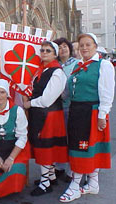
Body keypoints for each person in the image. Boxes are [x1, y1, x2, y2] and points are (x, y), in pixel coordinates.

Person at [59, 33, 115, 202]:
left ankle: (75, 186)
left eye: (87, 44)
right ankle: (93, 183)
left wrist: (103, 114)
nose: (84, 48)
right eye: (81, 45)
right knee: (84, 147)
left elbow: (107, 91)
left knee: (83, 149)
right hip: (77, 111)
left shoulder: (103, 65)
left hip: (91, 112)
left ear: (95, 46)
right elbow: (67, 91)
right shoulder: (79, 67)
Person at [24, 41, 68, 196]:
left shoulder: (57, 72)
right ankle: (51, 176)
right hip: (41, 113)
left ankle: (45, 183)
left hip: (48, 113)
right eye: (42, 50)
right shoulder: (42, 70)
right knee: (45, 145)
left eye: (48, 50)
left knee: (45, 147)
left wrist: (30, 103)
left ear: (55, 54)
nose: (43, 53)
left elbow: (47, 99)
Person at [53, 37, 78, 182]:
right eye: (59, 47)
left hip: (69, 106)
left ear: (69, 49)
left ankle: (71, 169)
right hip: (55, 108)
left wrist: (61, 94)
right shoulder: (54, 64)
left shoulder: (76, 64)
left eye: (64, 46)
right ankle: (59, 166)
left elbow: (74, 84)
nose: (62, 49)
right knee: (59, 138)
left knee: (70, 138)